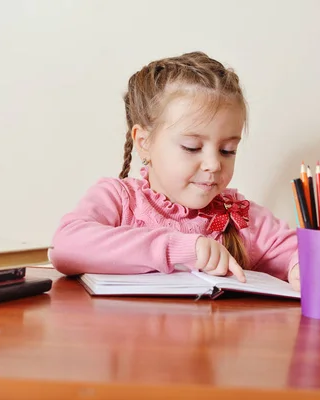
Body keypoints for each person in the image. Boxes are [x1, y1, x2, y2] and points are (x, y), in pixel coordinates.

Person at [49, 51, 300, 291]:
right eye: (192, 147)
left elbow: (300, 251)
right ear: (144, 142)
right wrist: (176, 248)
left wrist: (301, 267)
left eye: (227, 150)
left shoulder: (239, 216)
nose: (213, 164)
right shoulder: (119, 199)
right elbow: (66, 246)